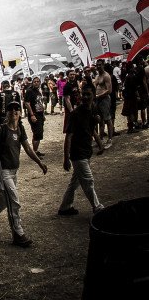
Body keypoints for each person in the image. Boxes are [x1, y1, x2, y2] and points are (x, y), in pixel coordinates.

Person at [0, 100, 48, 247]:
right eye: (11, 109)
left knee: (5, 201)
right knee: (14, 202)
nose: (14, 111)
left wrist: (39, 162)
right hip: (3, 171)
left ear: (20, 112)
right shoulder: (1, 129)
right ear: (7, 113)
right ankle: (18, 233)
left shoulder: (20, 129)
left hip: (14, 171)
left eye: (17, 109)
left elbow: (28, 149)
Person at [58, 88, 106, 217]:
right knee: (88, 180)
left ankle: (64, 207)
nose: (85, 97)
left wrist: (100, 144)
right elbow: (68, 136)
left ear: (93, 96)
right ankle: (97, 207)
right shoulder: (75, 114)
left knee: (76, 181)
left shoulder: (93, 110)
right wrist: (66, 158)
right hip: (77, 153)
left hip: (86, 151)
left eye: (88, 94)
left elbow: (91, 130)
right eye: (83, 94)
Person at [92, 61, 114, 148]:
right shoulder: (97, 76)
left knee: (107, 119)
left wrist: (98, 95)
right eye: (97, 65)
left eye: (100, 65)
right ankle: (100, 139)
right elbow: (95, 86)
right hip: (97, 100)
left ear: (103, 65)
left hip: (104, 99)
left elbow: (109, 90)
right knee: (100, 119)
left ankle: (110, 140)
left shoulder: (106, 76)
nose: (98, 66)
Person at [24, 76, 46, 156]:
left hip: (40, 114)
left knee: (39, 133)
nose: (36, 83)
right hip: (34, 115)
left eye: (38, 81)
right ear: (32, 83)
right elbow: (27, 103)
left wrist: (43, 114)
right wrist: (32, 115)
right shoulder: (29, 91)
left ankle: (35, 151)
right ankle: (34, 152)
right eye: (35, 81)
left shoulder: (38, 91)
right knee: (37, 133)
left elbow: (40, 103)